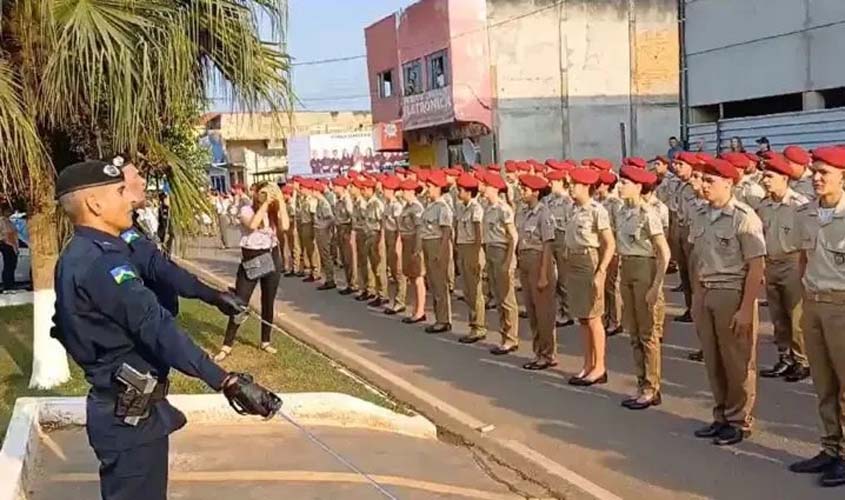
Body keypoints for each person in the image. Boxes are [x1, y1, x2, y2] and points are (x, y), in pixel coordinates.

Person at [52, 160, 278, 500]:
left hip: (131, 409)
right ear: (95, 205)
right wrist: (224, 379)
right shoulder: (100, 262)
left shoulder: (98, 250)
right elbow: (153, 324)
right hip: (126, 414)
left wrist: (212, 296)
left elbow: (159, 269)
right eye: (119, 191)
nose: (129, 198)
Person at [690, 157, 766, 446]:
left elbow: (756, 267)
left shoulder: (743, 217)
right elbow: (698, 260)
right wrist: (697, 299)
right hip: (707, 290)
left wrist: (746, 308)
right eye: (703, 180)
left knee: (737, 361)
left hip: (732, 292)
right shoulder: (701, 214)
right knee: (713, 359)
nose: (704, 186)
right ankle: (721, 414)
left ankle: (739, 420)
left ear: (729, 183)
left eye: (710, 181)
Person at [118, 158, 247, 319]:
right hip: (146, 325)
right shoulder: (120, 232)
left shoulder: (133, 222)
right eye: (137, 176)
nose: (143, 182)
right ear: (119, 189)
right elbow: (159, 266)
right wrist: (213, 296)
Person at [789, 146, 845, 487]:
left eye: (825, 172)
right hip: (813, 302)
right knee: (823, 382)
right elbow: (802, 259)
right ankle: (830, 447)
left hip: (842, 304)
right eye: (814, 171)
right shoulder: (806, 213)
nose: (816, 177)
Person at [616, 165, 670, 409]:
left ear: (638, 187)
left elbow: (664, 252)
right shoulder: (622, 212)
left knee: (648, 334)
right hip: (627, 268)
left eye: (624, 183)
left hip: (645, 270)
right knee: (634, 332)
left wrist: (656, 285)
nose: (620, 186)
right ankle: (641, 383)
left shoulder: (648, 213)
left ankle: (651, 387)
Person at [215, 182, 285, 361]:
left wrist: (281, 201)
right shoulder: (246, 209)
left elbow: (285, 226)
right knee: (240, 302)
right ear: (255, 194)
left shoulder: (273, 211)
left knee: (268, 301)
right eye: (262, 193)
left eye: (267, 193)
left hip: (271, 256)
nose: (265, 196)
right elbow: (253, 225)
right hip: (252, 259)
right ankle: (227, 344)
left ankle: (265, 340)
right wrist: (264, 204)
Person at [756, 153, 810, 382]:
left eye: (769, 177)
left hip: (793, 262)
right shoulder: (764, 206)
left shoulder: (799, 205)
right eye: (764, 177)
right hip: (771, 262)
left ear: (784, 178)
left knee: (796, 317)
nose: (765, 181)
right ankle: (784, 357)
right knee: (777, 316)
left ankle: (802, 360)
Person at [565, 168, 615, 386]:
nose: (571, 188)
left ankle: (600, 367)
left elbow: (609, 243)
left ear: (586, 186)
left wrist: (601, 271)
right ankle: (587, 364)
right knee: (582, 318)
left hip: (589, 261)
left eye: (574, 184)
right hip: (574, 261)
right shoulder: (573, 209)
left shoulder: (597, 210)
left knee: (594, 317)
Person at [516, 175, 558, 370]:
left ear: (535, 191)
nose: (521, 191)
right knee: (532, 311)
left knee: (543, 312)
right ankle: (538, 351)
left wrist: (544, 274)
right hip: (525, 261)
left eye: (525, 189)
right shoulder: (524, 212)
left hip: (539, 261)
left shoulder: (544, 214)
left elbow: (548, 245)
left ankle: (548, 353)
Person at [482, 172, 520, 354]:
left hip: (502, 251)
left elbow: (513, 237)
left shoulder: (503, 209)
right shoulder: (488, 208)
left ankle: (511, 338)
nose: (484, 188)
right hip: (491, 251)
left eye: (486, 185)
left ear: (495, 188)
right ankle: (504, 335)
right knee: (498, 297)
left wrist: (509, 261)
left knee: (507, 298)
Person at [419, 170, 454, 333]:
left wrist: (441, 252)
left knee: (440, 284)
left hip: (437, 245)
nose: (428, 189)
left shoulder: (442, 207)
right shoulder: (429, 206)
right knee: (433, 283)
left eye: (431, 186)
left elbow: (446, 232)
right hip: (428, 244)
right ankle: (439, 317)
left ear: (438, 188)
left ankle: (444, 319)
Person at [454, 174, 487, 344]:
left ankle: (479, 327)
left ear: (469, 192)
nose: (458, 193)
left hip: (473, 249)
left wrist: (476, 256)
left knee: (475, 291)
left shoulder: (476, 209)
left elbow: (479, 235)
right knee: (467, 290)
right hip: (463, 248)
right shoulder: (461, 208)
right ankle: (473, 324)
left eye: (460, 190)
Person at [594, 168, 624, 337]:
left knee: (612, 286)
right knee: (603, 286)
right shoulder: (599, 201)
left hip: (611, 247)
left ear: (606, 185)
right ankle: (606, 317)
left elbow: (619, 229)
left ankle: (616, 320)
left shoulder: (615, 204)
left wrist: (616, 251)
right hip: (600, 246)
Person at [545, 166, 574, 327]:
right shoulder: (548, 200)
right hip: (551, 237)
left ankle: (567, 310)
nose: (550, 184)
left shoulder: (567, 202)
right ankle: (558, 309)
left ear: (560, 182)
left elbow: (571, 224)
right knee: (552, 277)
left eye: (553, 181)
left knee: (563, 277)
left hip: (563, 238)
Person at [399, 178, 427, 324]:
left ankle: (420, 310)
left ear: (410, 191)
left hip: (413, 243)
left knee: (417, 278)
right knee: (411, 277)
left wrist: (417, 249)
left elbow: (419, 230)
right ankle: (415, 309)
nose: (402, 193)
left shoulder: (416, 208)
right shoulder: (406, 207)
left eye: (404, 190)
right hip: (406, 242)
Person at [361, 177, 389, 307]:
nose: (362, 192)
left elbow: (382, 223)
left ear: (369, 190)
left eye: (363, 189)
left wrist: (381, 240)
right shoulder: (368, 203)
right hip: (369, 236)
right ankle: (377, 293)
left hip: (376, 236)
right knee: (372, 266)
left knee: (379, 267)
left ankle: (383, 295)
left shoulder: (376, 204)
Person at [381, 176, 407, 314]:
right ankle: (396, 299)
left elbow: (399, 227)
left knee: (398, 271)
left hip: (395, 237)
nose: (383, 191)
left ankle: (400, 300)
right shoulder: (388, 204)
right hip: (388, 236)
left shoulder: (397, 206)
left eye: (385, 189)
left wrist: (398, 242)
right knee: (393, 268)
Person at [332, 177, 357, 295]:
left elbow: (352, 217)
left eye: (336, 186)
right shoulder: (339, 200)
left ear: (342, 187)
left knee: (349, 258)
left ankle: (353, 284)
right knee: (344, 258)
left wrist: (351, 232)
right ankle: (349, 283)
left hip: (346, 229)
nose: (334, 188)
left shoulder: (347, 201)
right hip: (340, 229)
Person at [351, 178, 375, 301]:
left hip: (364, 233)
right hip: (360, 232)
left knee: (366, 262)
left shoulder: (363, 204)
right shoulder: (357, 202)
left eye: (353, 187)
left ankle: (369, 288)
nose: (351, 189)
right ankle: (364, 287)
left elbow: (367, 221)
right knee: (361, 262)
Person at [311, 180, 337, 291]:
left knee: (326, 256)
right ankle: (328, 279)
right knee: (323, 255)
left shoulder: (323, 203)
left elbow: (331, 218)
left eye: (312, 190)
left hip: (323, 232)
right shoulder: (318, 202)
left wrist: (323, 227)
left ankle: (330, 279)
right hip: (320, 230)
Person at [0, 204, 18, 293]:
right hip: (6, 244)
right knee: (8, 266)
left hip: (13, 246)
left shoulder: (10, 222)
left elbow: (14, 234)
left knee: (12, 266)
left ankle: (11, 284)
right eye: (8, 210)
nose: (10, 212)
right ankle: (7, 286)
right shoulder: (2, 221)